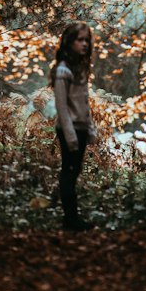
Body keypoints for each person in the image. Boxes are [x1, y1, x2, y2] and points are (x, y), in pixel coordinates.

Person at [51, 21, 96, 231]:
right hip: (69, 130)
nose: (85, 44)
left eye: (87, 40)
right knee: (68, 173)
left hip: (80, 129)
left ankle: (72, 219)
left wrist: (90, 129)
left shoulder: (80, 68)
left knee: (73, 172)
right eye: (80, 40)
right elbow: (62, 107)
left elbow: (84, 103)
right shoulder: (62, 70)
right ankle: (71, 220)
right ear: (69, 42)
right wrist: (71, 138)